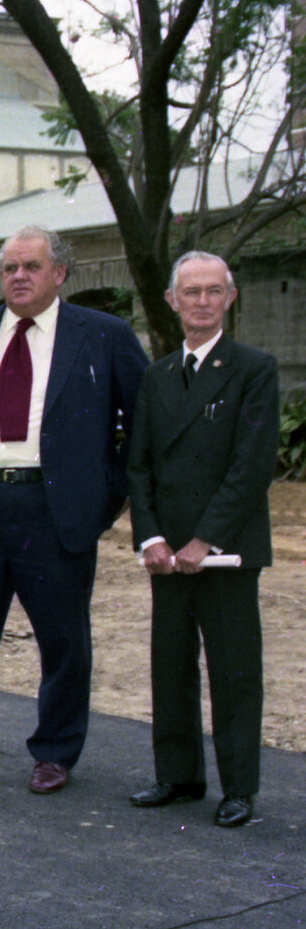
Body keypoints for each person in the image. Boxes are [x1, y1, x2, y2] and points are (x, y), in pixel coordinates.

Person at [0, 227, 148, 794]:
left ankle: (55, 751)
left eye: (31, 266)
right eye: (9, 268)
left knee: (63, 639)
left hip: (54, 507)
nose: (19, 276)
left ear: (60, 274)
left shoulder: (103, 335)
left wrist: (106, 496)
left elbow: (143, 424)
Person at [126, 252, 279, 828]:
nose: (202, 301)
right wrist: (154, 539)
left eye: (214, 291)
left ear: (230, 298)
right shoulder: (158, 375)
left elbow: (252, 464)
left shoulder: (253, 368)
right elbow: (137, 466)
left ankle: (239, 787)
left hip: (226, 551)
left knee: (234, 671)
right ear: (172, 300)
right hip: (168, 555)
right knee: (170, 665)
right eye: (191, 291)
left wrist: (205, 541)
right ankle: (179, 776)